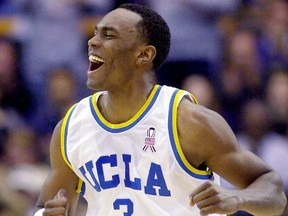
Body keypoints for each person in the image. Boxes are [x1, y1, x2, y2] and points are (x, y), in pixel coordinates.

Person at [34, 3, 287, 216]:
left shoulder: (187, 121)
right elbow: (45, 207)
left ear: (143, 55)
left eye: (108, 36)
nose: (92, 41)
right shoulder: (71, 127)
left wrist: (236, 199)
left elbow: (274, 191)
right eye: (96, 33)